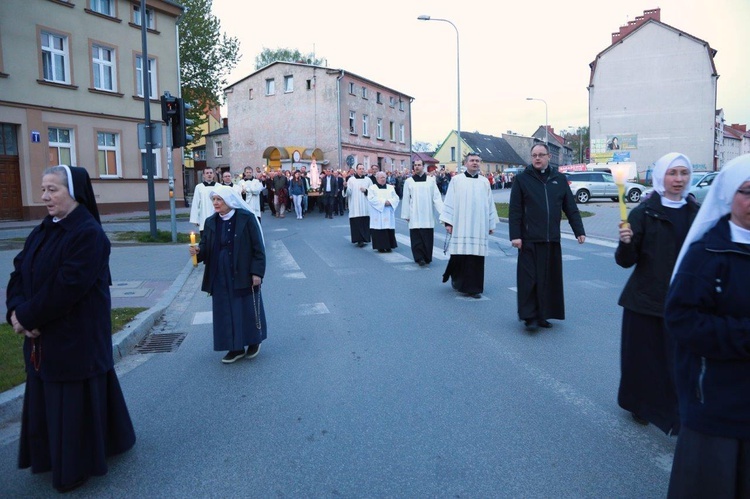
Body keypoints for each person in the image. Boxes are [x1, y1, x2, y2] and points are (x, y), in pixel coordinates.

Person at [6, 165, 135, 493]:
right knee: (50, 396)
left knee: (71, 402)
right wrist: (15, 312)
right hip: (44, 334)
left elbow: (67, 286)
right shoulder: (44, 228)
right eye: (43, 189)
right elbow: (19, 272)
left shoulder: (89, 234)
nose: (44, 196)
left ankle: (75, 468)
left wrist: (29, 316)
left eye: (53, 190)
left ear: (73, 193)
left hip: (73, 337)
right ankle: (58, 454)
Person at [664, 154, 750, 498]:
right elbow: (682, 320)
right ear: (729, 195)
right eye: (748, 192)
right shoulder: (707, 254)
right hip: (717, 405)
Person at [615, 152, 698, 433]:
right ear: (661, 177)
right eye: (672, 173)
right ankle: (639, 404)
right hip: (644, 300)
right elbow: (626, 261)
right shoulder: (644, 213)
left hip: (682, 302)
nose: (678, 179)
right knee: (643, 360)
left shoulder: (696, 214)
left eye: (683, 173)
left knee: (677, 360)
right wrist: (626, 243)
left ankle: (675, 408)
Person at [509, 143, 586, 330]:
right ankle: (529, 316)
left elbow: (570, 207)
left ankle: (543, 315)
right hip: (528, 239)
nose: (537, 158)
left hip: (551, 239)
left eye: (541, 155)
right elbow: (515, 210)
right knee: (529, 279)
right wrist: (515, 235)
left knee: (548, 280)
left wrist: (579, 230)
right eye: (534, 155)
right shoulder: (522, 179)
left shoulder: (559, 179)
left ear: (549, 157)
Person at [189, 185, 267, 364]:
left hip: (243, 271)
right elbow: (206, 247)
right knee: (225, 310)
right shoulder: (210, 222)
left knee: (247, 307)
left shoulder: (246, 218)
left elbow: (258, 248)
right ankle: (234, 347)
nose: (215, 203)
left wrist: (257, 272)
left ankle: (254, 340)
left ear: (229, 201)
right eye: (213, 200)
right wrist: (198, 251)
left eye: (219, 199)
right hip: (219, 272)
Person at [440, 153, 499, 298]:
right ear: (465, 163)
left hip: (479, 225)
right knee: (461, 255)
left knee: (477, 257)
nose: (475, 163)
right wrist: (449, 222)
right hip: (461, 224)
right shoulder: (456, 180)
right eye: (472, 160)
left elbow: (489, 204)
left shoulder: (485, 182)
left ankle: (474, 288)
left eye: (477, 161)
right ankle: (459, 282)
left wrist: (491, 224)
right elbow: (450, 201)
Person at [401, 159, 444, 266]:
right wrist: (406, 214)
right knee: (416, 237)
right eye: (415, 165)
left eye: (419, 165)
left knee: (427, 237)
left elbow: (437, 198)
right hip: (414, 212)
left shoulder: (431, 181)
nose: (417, 167)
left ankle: (427, 257)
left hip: (427, 213)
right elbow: (406, 199)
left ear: (423, 166)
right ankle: (419, 257)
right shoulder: (409, 181)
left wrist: (443, 212)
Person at [368, 171, 400, 253]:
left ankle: (389, 246)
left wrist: (390, 202)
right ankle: (380, 247)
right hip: (378, 212)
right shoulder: (372, 188)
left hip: (388, 211)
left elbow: (396, 198)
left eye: (384, 177)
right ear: (377, 178)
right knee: (379, 229)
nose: (383, 179)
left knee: (388, 228)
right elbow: (371, 199)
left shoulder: (390, 187)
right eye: (381, 177)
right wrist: (383, 202)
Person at [344, 163, 373, 246]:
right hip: (355, 204)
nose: (361, 170)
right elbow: (348, 192)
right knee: (356, 221)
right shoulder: (351, 180)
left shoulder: (368, 180)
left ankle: (365, 239)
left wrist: (366, 191)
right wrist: (345, 187)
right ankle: (358, 240)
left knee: (365, 221)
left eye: (363, 168)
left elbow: (373, 192)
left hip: (365, 205)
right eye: (360, 168)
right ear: (356, 170)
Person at [189, 166, 217, 234]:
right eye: (207, 173)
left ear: (213, 175)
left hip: (216, 216)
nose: (209, 174)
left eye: (211, 173)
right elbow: (196, 203)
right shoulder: (199, 187)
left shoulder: (219, 186)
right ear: (204, 175)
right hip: (203, 215)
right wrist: (195, 219)